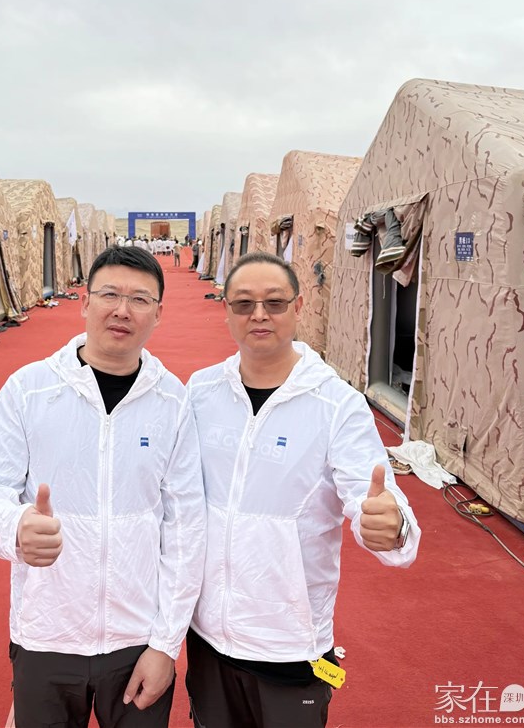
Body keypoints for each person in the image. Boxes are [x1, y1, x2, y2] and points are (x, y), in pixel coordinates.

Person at [0, 246, 207, 728]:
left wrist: (165, 644)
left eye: (139, 299)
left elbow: (186, 527)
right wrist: (15, 526)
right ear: (85, 302)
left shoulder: (173, 402)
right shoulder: (30, 390)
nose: (122, 310)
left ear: (158, 313)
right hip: (47, 633)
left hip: (137, 637)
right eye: (109, 294)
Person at [185, 252, 420, 728]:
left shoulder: (336, 405)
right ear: (226, 310)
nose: (259, 315)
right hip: (207, 631)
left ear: (298, 306)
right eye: (243, 303)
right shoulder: (201, 391)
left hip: (289, 641)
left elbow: (373, 494)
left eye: (274, 302)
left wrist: (391, 524)